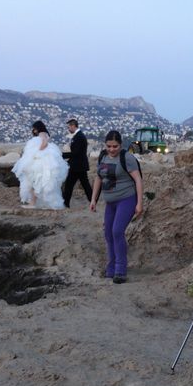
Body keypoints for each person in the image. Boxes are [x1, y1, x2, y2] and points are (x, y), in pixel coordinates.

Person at [90, 130, 143, 284]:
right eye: (109, 146)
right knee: (108, 233)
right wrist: (93, 199)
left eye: (115, 146)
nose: (112, 149)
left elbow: (138, 180)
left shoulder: (127, 157)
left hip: (127, 199)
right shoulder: (103, 156)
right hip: (110, 202)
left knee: (117, 231)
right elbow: (98, 178)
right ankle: (111, 267)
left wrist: (139, 203)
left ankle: (120, 269)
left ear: (121, 145)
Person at [12, 121, 68, 209]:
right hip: (43, 159)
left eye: (34, 128)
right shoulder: (45, 133)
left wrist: (37, 151)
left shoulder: (42, 133)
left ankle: (33, 203)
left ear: (38, 128)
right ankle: (34, 203)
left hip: (40, 159)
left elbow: (44, 143)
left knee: (35, 181)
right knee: (37, 182)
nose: (33, 130)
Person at [61, 118, 93, 208]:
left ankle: (65, 204)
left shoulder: (79, 137)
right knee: (84, 185)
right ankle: (93, 200)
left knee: (69, 185)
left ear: (73, 126)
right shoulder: (78, 136)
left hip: (77, 166)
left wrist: (62, 155)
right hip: (79, 165)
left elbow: (76, 153)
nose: (68, 129)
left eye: (69, 127)